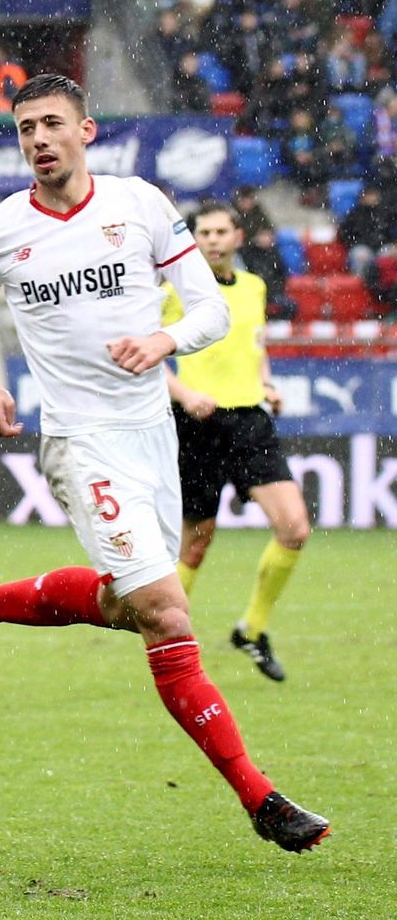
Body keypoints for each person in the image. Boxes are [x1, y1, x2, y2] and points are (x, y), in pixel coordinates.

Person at [0, 74, 329, 853]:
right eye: (26, 129)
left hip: (154, 433)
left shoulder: (139, 205)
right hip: (80, 442)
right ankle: (260, 799)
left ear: (87, 133)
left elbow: (210, 307)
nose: (39, 139)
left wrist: (165, 339)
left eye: (53, 124)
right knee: (166, 611)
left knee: (129, 607)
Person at [163, 201, 310, 681]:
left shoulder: (254, 288)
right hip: (197, 426)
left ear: (237, 237)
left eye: (221, 231)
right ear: (193, 239)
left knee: (294, 528)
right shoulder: (171, 293)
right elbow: (144, 355)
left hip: (250, 422)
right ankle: (167, 642)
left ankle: (252, 630)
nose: (212, 239)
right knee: (195, 547)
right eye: (203, 232)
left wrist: (266, 383)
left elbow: (254, 347)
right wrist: (185, 394)